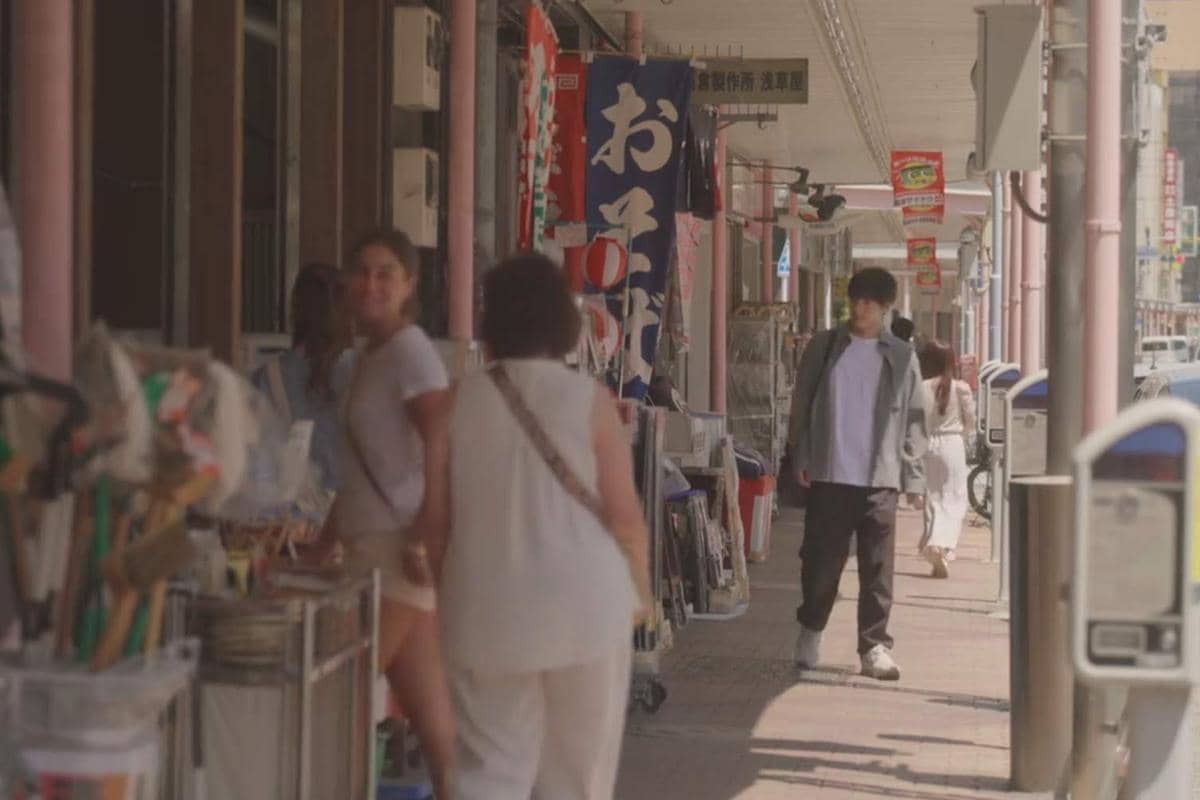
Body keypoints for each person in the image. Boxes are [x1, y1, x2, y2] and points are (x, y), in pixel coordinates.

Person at [433, 253, 652, 800]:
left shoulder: (454, 403)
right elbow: (625, 517)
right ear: (563, 320)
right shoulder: (590, 401)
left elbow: (434, 525)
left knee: (488, 772)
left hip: (484, 610)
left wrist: (444, 604)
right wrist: (643, 594)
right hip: (585, 609)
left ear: (493, 322)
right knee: (575, 779)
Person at [320, 228, 454, 797]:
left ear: (409, 284)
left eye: (385, 274)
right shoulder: (365, 358)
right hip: (371, 546)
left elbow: (442, 442)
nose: (371, 285)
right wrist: (327, 536)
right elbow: (359, 465)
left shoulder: (409, 352)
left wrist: (427, 534)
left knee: (339, 703)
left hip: (395, 555)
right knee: (435, 725)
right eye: (362, 272)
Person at [787, 267, 928, 681]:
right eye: (856, 300)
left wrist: (913, 477)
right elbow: (803, 401)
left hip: (880, 477)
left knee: (878, 569)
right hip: (831, 472)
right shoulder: (827, 345)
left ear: (886, 308)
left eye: (870, 302)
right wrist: (802, 454)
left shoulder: (902, 355)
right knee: (821, 563)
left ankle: (875, 646)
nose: (861, 309)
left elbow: (916, 419)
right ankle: (811, 629)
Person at [252, 262, 354, 493]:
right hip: (352, 512)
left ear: (294, 310)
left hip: (290, 518)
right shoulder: (361, 370)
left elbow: (256, 459)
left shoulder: (268, 377)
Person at [917, 340, 975, 578]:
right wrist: (966, 431)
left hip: (929, 444)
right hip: (952, 444)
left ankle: (933, 541)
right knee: (954, 497)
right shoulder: (961, 388)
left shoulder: (921, 387)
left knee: (932, 496)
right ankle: (941, 544)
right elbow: (970, 419)